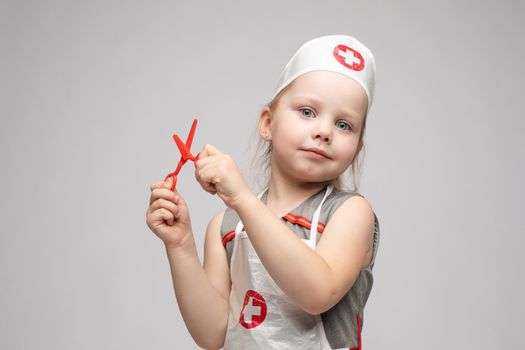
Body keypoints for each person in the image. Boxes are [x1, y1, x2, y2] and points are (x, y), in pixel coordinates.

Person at [146, 34, 380, 350]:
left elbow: (317, 292)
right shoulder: (226, 228)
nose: (324, 131)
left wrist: (243, 199)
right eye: (308, 112)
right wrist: (181, 245)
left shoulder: (350, 213)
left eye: (344, 125)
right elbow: (213, 334)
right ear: (268, 123)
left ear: (357, 147)